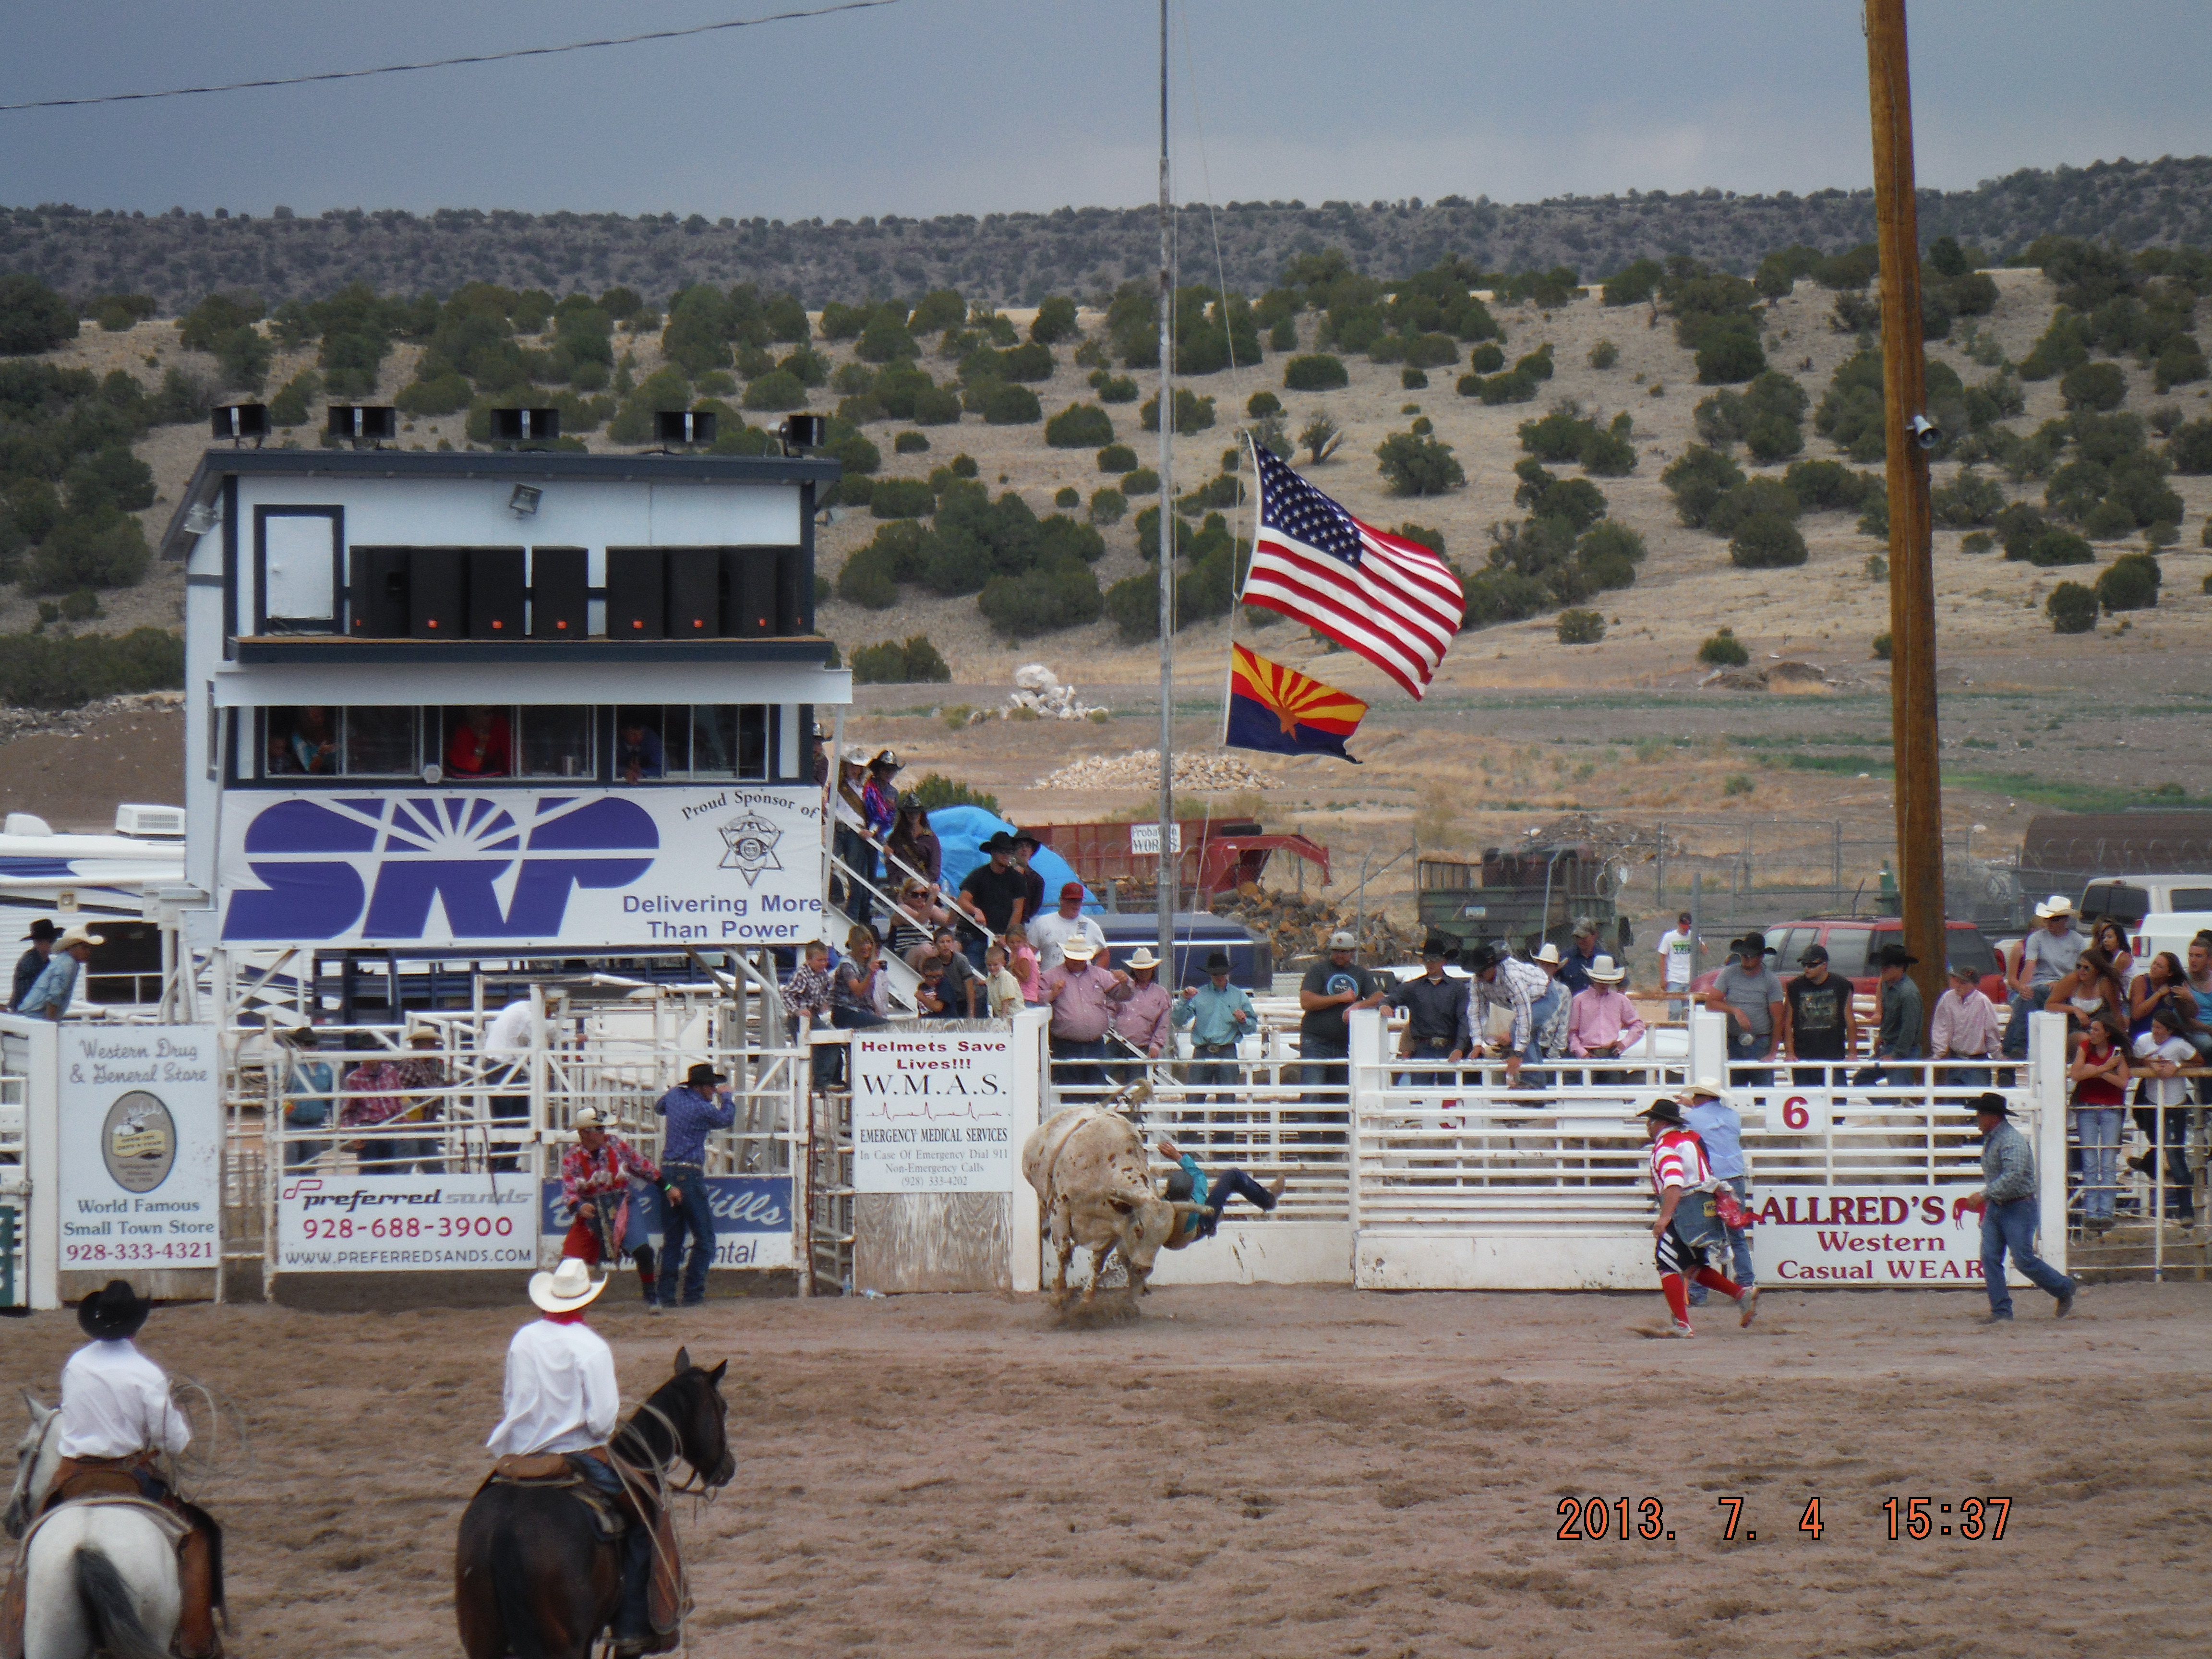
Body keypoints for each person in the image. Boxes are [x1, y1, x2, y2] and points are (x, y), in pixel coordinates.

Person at [33, 1282, 226, 1658]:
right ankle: (198, 1640)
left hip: (73, 1476)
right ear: (136, 1326)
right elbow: (174, 1441)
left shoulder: (76, 1365)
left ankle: (13, 1637)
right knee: (201, 1534)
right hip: (128, 1476)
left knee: (31, 1541)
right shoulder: (146, 1373)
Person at [484, 1258, 657, 1657]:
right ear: (586, 1301)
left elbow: (511, 1400)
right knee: (646, 1516)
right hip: (576, 1455)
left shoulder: (523, 1339)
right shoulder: (591, 1347)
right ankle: (631, 1626)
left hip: (521, 1455)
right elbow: (602, 1421)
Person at [1635, 1096, 1756, 1337]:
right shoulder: (1692, 1138)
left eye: (1651, 1121)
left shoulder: (1665, 1147)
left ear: (1660, 1123)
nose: (1648, 1126)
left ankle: (1683, 1324)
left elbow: (1674, 1183)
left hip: (1683, 1208)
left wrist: (1664, 1218)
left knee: (1666, 1262)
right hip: (1703, 1203)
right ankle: (1741, 1294)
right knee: (1692, 1265)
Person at [1955, 1092, 2076, 1322]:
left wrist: (1984, 1195)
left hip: (2017, 1206)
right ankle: (2002, 1311)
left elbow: (2013, 1176)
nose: (1977, 1119)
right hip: (2008, 1206)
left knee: (2020, 1259)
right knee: (1995, 1257)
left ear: (1992, 1117)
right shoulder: (2002, 1139)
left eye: (1980, 1114)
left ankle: (2062, 1288)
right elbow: (2011, 1176)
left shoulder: (2011, 1141)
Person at [559, 1106, 676, 1302]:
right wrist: (578, 1207)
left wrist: (667, 1187)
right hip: (592, 1209)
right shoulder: (572, 1157)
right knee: (570, 1260)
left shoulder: (616, 1146)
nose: (602, 1133)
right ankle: (561, 1298)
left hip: (622, 1204)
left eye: (602, 1128)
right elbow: (569, 1189)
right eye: (598, 1129)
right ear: (584, 1133)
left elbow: (642, 1166)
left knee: (644, 1251)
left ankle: (651, 1295)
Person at [653, 1062, 734, 1309]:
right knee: (705, 1239)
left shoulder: (675, 1096)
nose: (714, 1090)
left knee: (673, 1239)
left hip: (668, 1172)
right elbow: (726, 1119)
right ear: (700, 1087)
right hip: (689, 1173)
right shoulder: (703, 1109)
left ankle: (666, 1294)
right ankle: (693, 1293)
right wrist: (727, 1097)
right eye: (711, 1086)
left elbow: (659, 1108)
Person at [1679, 1078, 1754, 1305]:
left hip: (1708, 1180)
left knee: (1701, 1235)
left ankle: (1698, 1293)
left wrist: (1689, 1109)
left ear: (1701, 1097)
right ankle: (1746, 1284)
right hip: (1734, 1176)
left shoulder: (1690, 1119)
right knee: (1736, 1233)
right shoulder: (1732, 1116)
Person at [2129, 999, 2199, 1225]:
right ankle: (2149, 1164)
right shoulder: (2143, 1041)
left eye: (2160, 1028)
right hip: (2151, 1102)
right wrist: (2149, 1064)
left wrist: (2177, 1066)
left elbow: (2198, 1061)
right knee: (2158, 1144)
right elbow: (2133, 1061)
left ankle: (2186, 1210)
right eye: (2154, 1027)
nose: (2155, 1032)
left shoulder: (2179, 1045)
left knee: (2175, 1156)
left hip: (2174, 1104)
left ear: (2170, 1030)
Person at [1298, 931, 1388, 1104]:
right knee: (1313, 1091)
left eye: (1345, 952)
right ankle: (1309, 1123)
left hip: (1345, 1043)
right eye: (1336, 951)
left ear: (1353, 952)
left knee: (1341, 1095)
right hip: (1316, 1041)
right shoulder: (1318, 970)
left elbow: (1378, 997)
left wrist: (1358, 1005)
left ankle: (1338, 1124)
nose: (1340, 955)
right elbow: (1306, 1001)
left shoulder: (1360, 973)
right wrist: (1339, 998)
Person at [1039, 936, 1130, 1094]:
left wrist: (1125, 983)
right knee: (1071, 1090)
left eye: (1081, 959)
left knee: (1097, 1089)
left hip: (1095, 1044)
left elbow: (1123, 996)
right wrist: (1052, 994)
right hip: (1066, 1045)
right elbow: (1036, 999)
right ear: (1066, 956)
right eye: (1074, 958)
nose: (1078, 962)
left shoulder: (1100, 975)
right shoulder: (1050, 976)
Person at [1156, 1136, 1286, 1242]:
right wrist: (1177, 1156)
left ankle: (1216, 1218)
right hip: (1199, 1226)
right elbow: (1198, 1174)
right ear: (1191, 1193)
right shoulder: (1197, 1197)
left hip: (1171, 1235)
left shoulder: (1159, 1205)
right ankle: (1268, 1201)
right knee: (1233, 1176)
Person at [2068, 1013, 2128, 1233]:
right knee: (2092, 1159)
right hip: (2094, 1107)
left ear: (2107, 1033)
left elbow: (2123, 1082)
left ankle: (2102, 1212)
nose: (2091, 1034)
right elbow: (2076, 1074)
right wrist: (2105, 1069)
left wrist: (2094, 1071)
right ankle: (2095, 1212)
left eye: (2096, 1030)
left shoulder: (2116, 1051)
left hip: (2106, 1108)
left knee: (2106, 1160)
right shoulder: (2090, 1048)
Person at [1173, 950, 1255, 1105]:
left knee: (1227, 1100)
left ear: (1227, 973)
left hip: (1227, 1050)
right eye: (1215, 974)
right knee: (1194, 1099)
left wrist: (1244, 1021)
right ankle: (1192, 1121)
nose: (1219, 976)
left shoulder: (1239, 996)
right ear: (1210, 974)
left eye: (1222, 973)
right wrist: (1183, 1000)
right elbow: (1178, 1021)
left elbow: (1252, 1027)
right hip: (1203, 1050)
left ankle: (1223, 1122)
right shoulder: (1198, 995)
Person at [2006, 895, 2084, 1058]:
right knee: (2027, 997)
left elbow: (2082, 970)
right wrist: (2023, 988)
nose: (2049, 923)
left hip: (2066, 987)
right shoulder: (2037, 938)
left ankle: (2015, 1047)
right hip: (2040, 985)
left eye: (2054, 920)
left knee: (2026, 1002)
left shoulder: (2077, 941)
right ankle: (2015, 1049)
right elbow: (2030, 965)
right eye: (2047, 919)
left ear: (2064, 920)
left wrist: (2063, 985)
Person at [1388, 938, 1470, 1084]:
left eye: (1435, 959)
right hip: (1422, 1048)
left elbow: (1464, 1020)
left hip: (1450, 1047)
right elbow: (1391, 999)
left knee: (1451, 1092)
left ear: (1443, 961)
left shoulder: (1458, 988)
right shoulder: (1413, 987)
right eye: (1427, 960)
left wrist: (1459, 1048)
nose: (1431, 963)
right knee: (1420, 1092)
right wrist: (1386, 1005)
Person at [1708, 934, 1783, 1088]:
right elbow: (1710, 1003)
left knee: (1763, 1093)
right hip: (1734, 1041)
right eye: (1743, 955)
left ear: (1761, 957)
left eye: (1750, 956)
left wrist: (1772, 1053)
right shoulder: (1729, 974)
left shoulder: (1770, 980)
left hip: (1761, 1042)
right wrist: (1735, 1010)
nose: (1746, 959)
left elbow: (1778, 1018)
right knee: (1734, 1092)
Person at [1780, 942, 1855, 1092]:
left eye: (1812, 965)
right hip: (1803, 1056)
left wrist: (1853, 1052)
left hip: (1834, 1055)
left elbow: (1850, 1020)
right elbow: (1787, 1022)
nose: (1807, 969)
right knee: (1807, 1100)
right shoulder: (1794, 987)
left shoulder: (1842, 985)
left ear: (1824, 965)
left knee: (1837, 1100)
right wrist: (1789, 1052)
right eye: (1804, 965)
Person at [1463, 943, 1538, 1088]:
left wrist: (1518, 1053)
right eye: (1477, 973)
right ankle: (1534, 1082)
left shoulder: (1512, 978)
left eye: (1481, 972)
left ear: (1492, 968)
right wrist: (1477, 1043)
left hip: (1545, 997)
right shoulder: (1477, 981)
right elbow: (1475, 1011)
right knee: (1521, 1030)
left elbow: (1523, 1014)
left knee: (1519, 1028)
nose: (1479, 976)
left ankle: (1533, 1082)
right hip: (1524, 1003)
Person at [956, 833, 1030, 964]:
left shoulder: (1017, 879)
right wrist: (976, 911)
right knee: (975, 972)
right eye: (1002, 851)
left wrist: (1008, 936)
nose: (1006, 855)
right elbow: (962, 900)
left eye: (1009, 852)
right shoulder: (979, 875)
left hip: (1004, 941)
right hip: (980, 936)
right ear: (993, 852)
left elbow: (1018, 910)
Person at [1930, 960, 2004, 1090]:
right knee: (1952, 1100)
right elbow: (1941, 1027)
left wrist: (1998, 1055)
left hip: (1977, 1061)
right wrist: (1938, 1054)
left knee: (1978, 1098)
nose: (1958, 986)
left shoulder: (1983, 1002)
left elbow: (1991, 1031)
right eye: (1957, 982)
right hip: (1955, 1059)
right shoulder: (1948, 998)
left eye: (1963, 983)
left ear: (1974, 985)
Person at [482, 994, 535, 1172]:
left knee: (502, 1119)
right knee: (518, 1118)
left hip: (494, 1065)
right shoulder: (527, 1014)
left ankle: (496, 1164)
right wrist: (569, 1037)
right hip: (505, 1068)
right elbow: (543, 1033)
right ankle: (505, 1166)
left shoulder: (516, 1008)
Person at [389, 1025, 449, 1174]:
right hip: (412, 1123)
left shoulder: (430, 1065)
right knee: (408, 1162)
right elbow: (398, 1093)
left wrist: (446, 1086)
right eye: (431, 1043)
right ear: (421, 1045)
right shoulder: (410, 1065)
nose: (434, 1047)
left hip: (426, 1122)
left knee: (431, 1165)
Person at [1565, 954, 1645, 1065]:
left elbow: (1638, 1025)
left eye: (1607, 981)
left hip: (1611, 1053)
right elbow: (1572, 1032)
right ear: (1593, 979)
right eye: (1600, 981)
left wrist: (1624, 1044)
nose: (1604, 984)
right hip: (1587, 1053)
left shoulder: (1620, 1000)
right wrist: (1582, 1053)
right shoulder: (1579, 1000)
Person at [339, 1046, 409, 1171]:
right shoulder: (354, 1079)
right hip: (368, 1128)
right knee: (370, 1169)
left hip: (390, 1125)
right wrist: (354, 1134)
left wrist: (403, 1122)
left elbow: (398, 1098)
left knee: (390, 1169)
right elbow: (348, 1111)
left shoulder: (390, 1071)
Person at [16, 923, 99, 1021]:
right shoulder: (67, 965)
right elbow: (54, 997)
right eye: (84, 947)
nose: (88, 952)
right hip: (35, 1017)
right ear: (71, 947)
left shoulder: (64, 961)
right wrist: (51, 1024)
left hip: (30, 1014)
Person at [279, 1026, 335, 1170]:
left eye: (314, 1044)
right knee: (291, 1166)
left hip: (315, 1124)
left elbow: (333, 1099)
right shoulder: (286, 1068)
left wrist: (334, 1120)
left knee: (311, 1166)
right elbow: (275, 1093)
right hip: (292, 1123)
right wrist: (285, 1110)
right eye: (307, 1045)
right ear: (298, 1047)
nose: (312, 1048)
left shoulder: (326, 1070)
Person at [784, 940, 840, 1086]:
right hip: (800, 1019)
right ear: (809, 960)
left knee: (833, 1041)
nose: (824, 964)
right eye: (820, 960)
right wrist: (797, 1011)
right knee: (829, 1040)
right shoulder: (802, 975)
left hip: (814, 1015)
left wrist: (826, 1005)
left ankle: (833, 1079)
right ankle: (822, 1081)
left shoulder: (823, 974)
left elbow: (828, 991)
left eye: (826, 960)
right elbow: (787, 994)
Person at [1109, 947, 1175, 1068]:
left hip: (1142, 1047)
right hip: (1116, 1042)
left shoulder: (1161, 994)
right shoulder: (1123, 988)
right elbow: (1110, 1010)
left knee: (1138, 1079)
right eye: (1140, 970)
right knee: (1102, 1073)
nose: (1143, 973)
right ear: (1134, 970)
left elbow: (1163, 1024)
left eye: (1146, 970)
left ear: (1152, 969)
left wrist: (1156, 1046)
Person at [2046, 946, 2125, 1045]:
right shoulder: (2072, 980)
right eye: (2079, 966)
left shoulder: (2105, 983)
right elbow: (2050, 1005)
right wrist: (2075, 1010)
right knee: (2085, 1039)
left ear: (2097, 970)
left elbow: (2116, 1013)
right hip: (2074, 1030)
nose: (2081, 970)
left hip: (2100, 1033)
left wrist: (2123, 1038)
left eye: (2086, 968)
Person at [1028, 881, 1106, 975]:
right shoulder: (1043, 923)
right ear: (1062, 900)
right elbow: (1028, 954)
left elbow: (1104, 954)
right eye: (1072, 900)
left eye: (1079, 901)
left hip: (1081, 982)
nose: (1076, 905)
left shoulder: (1091, 926)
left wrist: (1095, 977)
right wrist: (1035, 976)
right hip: (1050, 980)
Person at [906, 926, 983, 1016]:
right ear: (935, 944)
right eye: (942, 942)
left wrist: (971, 1014)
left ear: (953, 943)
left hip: (970, 996)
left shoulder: (960, 960)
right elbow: (924, 971)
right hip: (952, 998)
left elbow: (970, 988)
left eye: (949, 942)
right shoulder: (935, 962)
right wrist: (931, 956)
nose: (946, 945)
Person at [832, 925, 890, 1033]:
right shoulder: (847, 965)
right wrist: (870, 974)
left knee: (885, 1024)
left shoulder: (866, 963)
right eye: (862, 944)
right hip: (846, 1012)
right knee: (887, 1026)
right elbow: (858, 991)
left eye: (868, 943)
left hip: (864, 1011)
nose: (866, 947)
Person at [885, 878, 952, 961]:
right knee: (926, 949)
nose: (920, 898)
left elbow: (949, 923)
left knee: (954, 946)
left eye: (924, 895)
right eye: (915, 895)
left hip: (929, 948)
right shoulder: (902, 909)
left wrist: (954, 908)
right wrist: (932, 897)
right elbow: (921, 921)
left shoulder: (929, 909)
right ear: (906, 896)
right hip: (906, 952)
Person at [887, 796, 943, 888]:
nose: (913, 815)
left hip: (924, 886)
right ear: (904, 814)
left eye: (916, 812)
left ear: (921, 814)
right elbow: (890, 864)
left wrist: (924, 884)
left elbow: (935, 868)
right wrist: (897, 882)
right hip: (902, 886)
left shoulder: (931, 838)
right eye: (910, 812)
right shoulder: (896, 837)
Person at [1656, 912, 1700, 1021]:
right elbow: (1663, 958)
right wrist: (1663, 978)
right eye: (1684, 926)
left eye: (1688, 927)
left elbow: (1704, 951)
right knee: (1675, 1011)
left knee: (1688, 1012)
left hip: (1690, 979)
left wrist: (1697, 938)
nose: (1685, 929)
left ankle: (1687, 1030)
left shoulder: (1693, 936)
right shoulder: (1669, 937)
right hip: (1674, 978)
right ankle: (1673, 1029)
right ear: (1679, 924)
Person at [446, 705, 512, 778]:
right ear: (474, 715)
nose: (492, 716)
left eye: (494, 712)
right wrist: (482, 744)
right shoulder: (463, 733)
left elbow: (512, 760)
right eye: (487, 713)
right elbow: (471, 768)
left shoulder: (499, 725)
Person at [11, 916, 56, 1010]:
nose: (54, 943)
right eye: (50, 941)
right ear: (37, 942)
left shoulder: (45, 961)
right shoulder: (30, 962)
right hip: (24, 1011)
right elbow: (29, 994)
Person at [1009, 829, 1048, 932]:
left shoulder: (1037, 880)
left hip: (1021, 926)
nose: (1024, 849)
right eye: (1020, 846)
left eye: (1028, 846)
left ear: (1032, 852)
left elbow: (1035, 906)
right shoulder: (1004, 873)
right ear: (1013, 850)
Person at [1557, 918, 1602, 998]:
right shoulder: (1564, 958)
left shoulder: (1605, 959)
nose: (1580, 941)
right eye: (1577, 937)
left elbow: (1622, 984)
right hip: (1571, 1003)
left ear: (1595, 935)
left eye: (1584, 937)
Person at [290, 705, 338, 774]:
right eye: (316, 717)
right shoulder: (300, 739)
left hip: (343, 771)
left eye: (322, 715)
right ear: (306, 719)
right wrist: (321, 754)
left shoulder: (336, 728)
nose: (321, 719)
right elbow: (311, 769)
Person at [1003, 921, 1042, 1003]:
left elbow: (1026, 978)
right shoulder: (1014, 954)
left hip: (1026, 996)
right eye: (1012, 942)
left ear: (1024, 941)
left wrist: (1013, 968)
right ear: (1007, 942)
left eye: (1019, 942)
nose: (1015, 945)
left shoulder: (1023, 954)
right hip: (1020, 994)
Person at [616, 718, 665, 782]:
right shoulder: (613, 741)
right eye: (633, 734)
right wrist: (625, 771)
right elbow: (606, 767)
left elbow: (664, 769)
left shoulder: (651, 740)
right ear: (623, 732)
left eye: (641, 734)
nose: (638, 738)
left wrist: (641, 772)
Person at [983, 943, 1024, 1017]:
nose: (992, 968)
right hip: (1002, 1015)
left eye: (995, 965)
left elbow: (1006, 999)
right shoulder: (991, 979)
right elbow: (994, 1004)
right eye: (989, 965)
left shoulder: (1005, 975)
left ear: (1003, 963)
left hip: (1015, 1014)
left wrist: (1003, 1018)